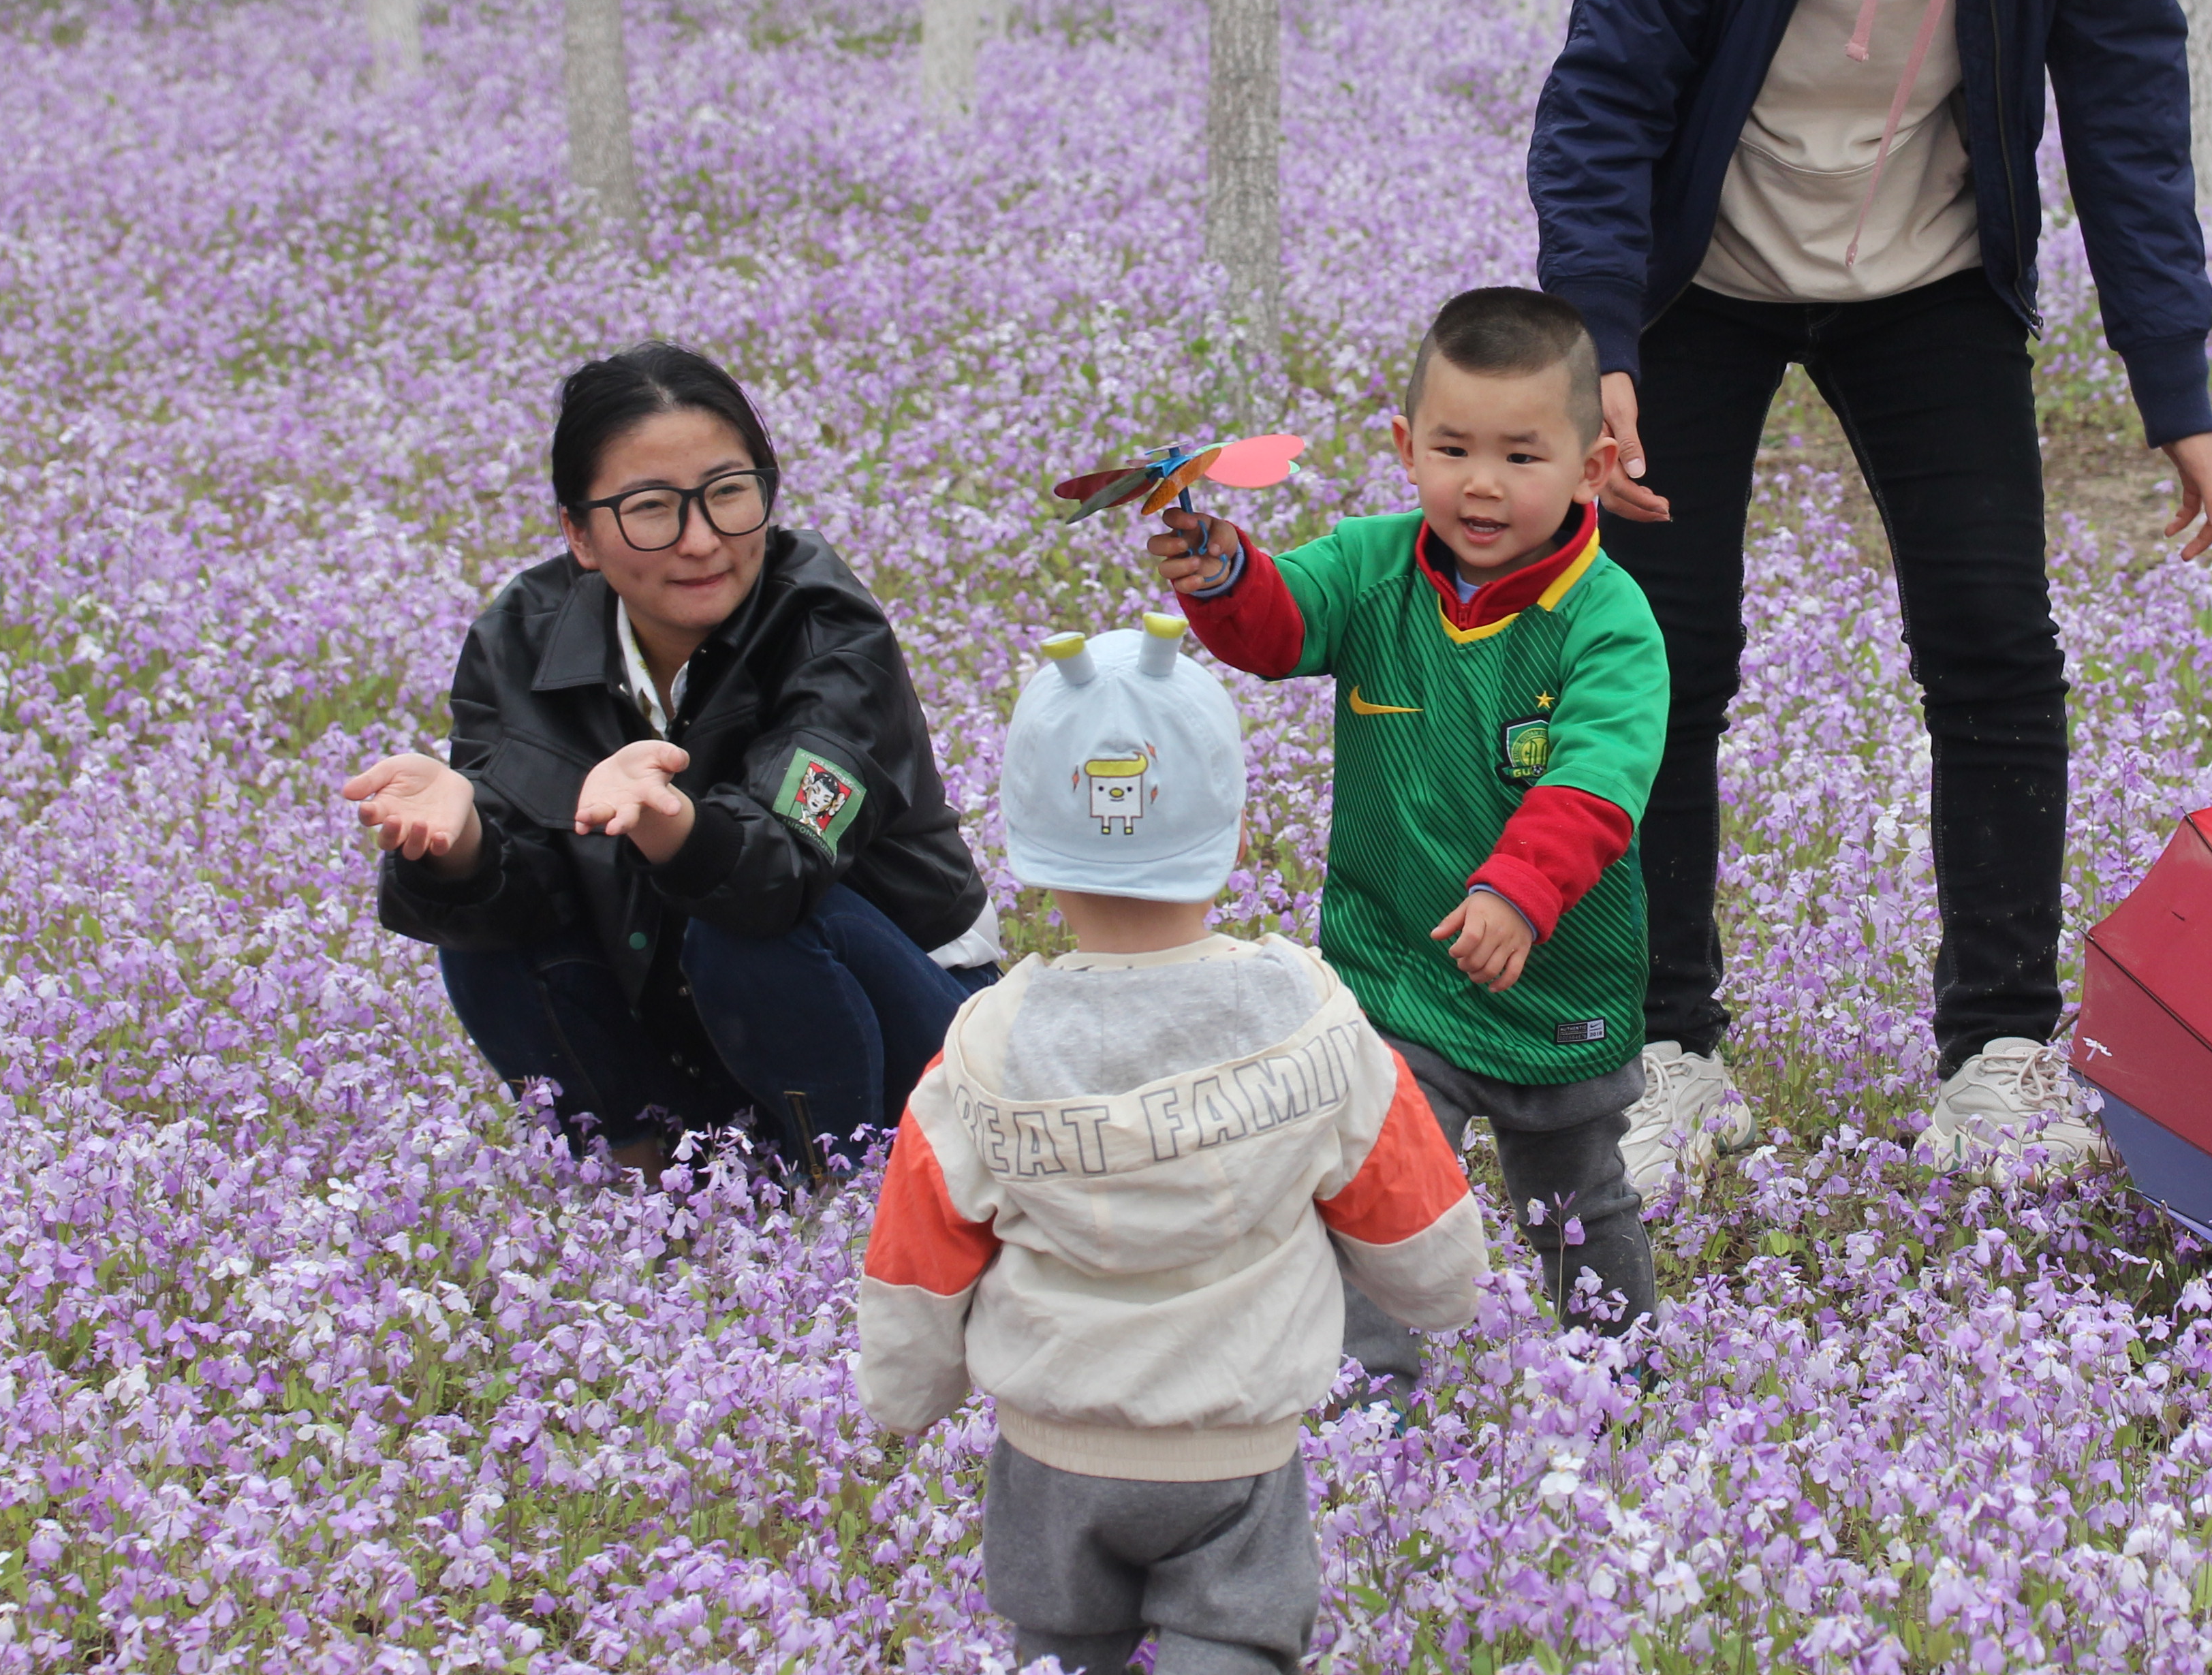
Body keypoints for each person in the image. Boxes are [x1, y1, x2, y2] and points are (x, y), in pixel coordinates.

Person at [1526, 0, 2212, 1194]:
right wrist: (1595, 343)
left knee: (1993, 638)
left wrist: (2178, 392)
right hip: (1696, 279)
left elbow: (2131, 123)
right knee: (1663, 654)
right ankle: (1662, 1044)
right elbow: (1604, 95)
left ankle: (1999, 1047)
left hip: (1927, 274)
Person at [858, 616, 1484, 1675]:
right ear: (1234, 830)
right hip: (1233, 1455)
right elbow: (1409, 1207)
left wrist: (904, 1398)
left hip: (1051, 1453)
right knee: (1237, 1644)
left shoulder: (985, 1045)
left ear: (1020, 843)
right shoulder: (1309, 1015)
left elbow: (918, 1256)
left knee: (1060, 1647)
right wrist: (1440, 1293)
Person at [1155, 287, 1668, 1387]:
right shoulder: (1374, 565)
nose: (1480, 484)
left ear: (1592, 464)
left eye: (1521, 456)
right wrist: (1226, 574)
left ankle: (1622, 1386)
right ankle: (1365, 1405)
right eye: (1450, 448)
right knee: (1370, 1186)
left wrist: (1520, 892)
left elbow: (1595, 780)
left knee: (1573, 1201)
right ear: (1404, 447)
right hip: (1398, 971)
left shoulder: (1608, 619)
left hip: (1553, 981)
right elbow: (1281, 623)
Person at [345, 343, 1001, 1179]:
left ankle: (840, 1187)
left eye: (730, 494)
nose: (702, 541)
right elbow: (527, 897)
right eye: (652, 508)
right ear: (580, 535)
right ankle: (643, 1178)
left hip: (909, 1018)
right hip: (698, 1023)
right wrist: (463, 840)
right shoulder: (519, 638)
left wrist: (674, 822)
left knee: (745, 933)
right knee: (478, 927)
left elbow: (787, 869)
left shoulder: (830, 629)